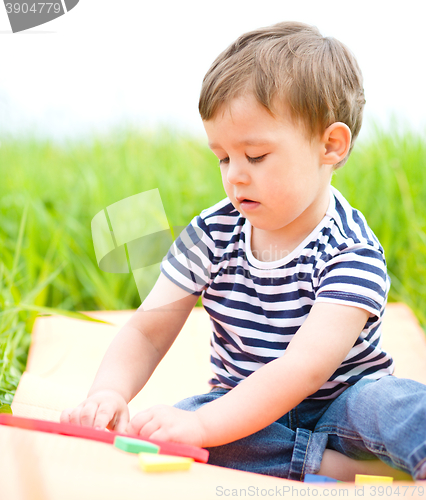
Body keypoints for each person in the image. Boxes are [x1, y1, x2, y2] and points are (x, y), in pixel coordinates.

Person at [61, 21, 426, 482]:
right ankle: (331, 467)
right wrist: (109, 391)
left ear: (330, 145)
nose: (234, 175)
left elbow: (303, 370)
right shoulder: (212, 233)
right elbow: (148, 332)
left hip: (344, 408)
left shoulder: (351, 249)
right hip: (244, 410)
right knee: (167, 426)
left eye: (255, 156)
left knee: (395, 406)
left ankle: (353, 454)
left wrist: (206, 426)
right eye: (223, 157)